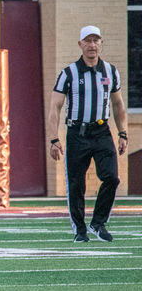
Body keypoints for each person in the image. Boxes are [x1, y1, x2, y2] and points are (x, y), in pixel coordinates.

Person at [47, 25, 128, 243]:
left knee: (111, 177)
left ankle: (98, 222)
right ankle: (80, 230)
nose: (92, 45)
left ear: (101, 43)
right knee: (76, 184)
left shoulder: (111, 71)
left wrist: (123, 133)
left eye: (96, 40)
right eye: (88, 41)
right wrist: (54, 139)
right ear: (80, 44)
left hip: (102, 131)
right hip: (77, 132)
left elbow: (118, 103)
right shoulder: (68, 73)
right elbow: (55, 106)